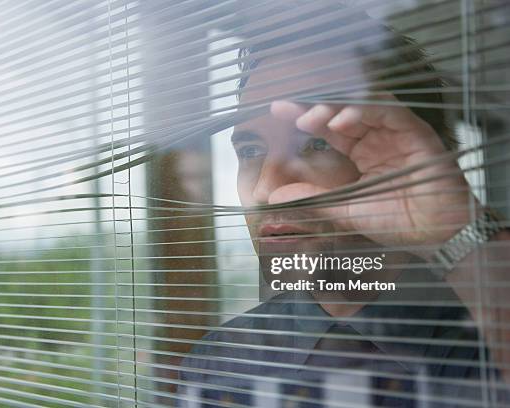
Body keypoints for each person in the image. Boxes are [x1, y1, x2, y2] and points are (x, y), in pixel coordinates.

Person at [176, 4, 510, 407]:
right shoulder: (220, 365)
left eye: (317, 142)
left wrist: (458, 228)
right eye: (250, 150)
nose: (266, 188)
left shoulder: (490, 335)